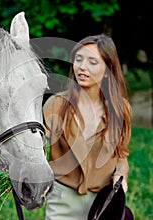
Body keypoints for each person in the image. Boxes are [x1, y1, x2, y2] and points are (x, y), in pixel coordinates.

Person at [43, 34, 132, 220]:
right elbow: (37, 147)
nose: (82, 67)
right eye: (79, 59)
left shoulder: (120, 109)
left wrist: (121, 176)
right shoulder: (56, 105)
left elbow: (121, 156)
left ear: (107, 70)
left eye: (92, 62)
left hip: (103, 204)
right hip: (62, 201)